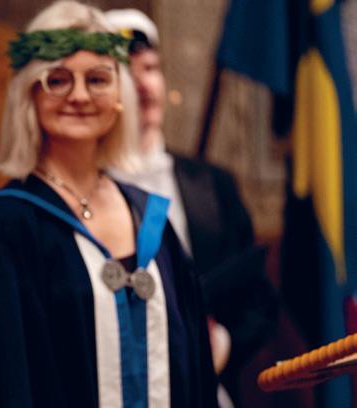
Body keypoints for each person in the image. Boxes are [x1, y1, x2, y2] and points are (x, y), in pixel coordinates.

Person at [0, 2, 217, 407]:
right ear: (30, 94)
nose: (79, 95)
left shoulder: (151, 218)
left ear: (120, 95)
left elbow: (195, 367)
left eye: (98, 79)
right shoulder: (1, 231)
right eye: (57, 80)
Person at [105, 9, 279, 407]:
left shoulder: (212, 184)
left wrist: (222, 343)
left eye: (151, 68)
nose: (143, 85)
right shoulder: (86, 192)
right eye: (126, 73)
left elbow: (258, 299)